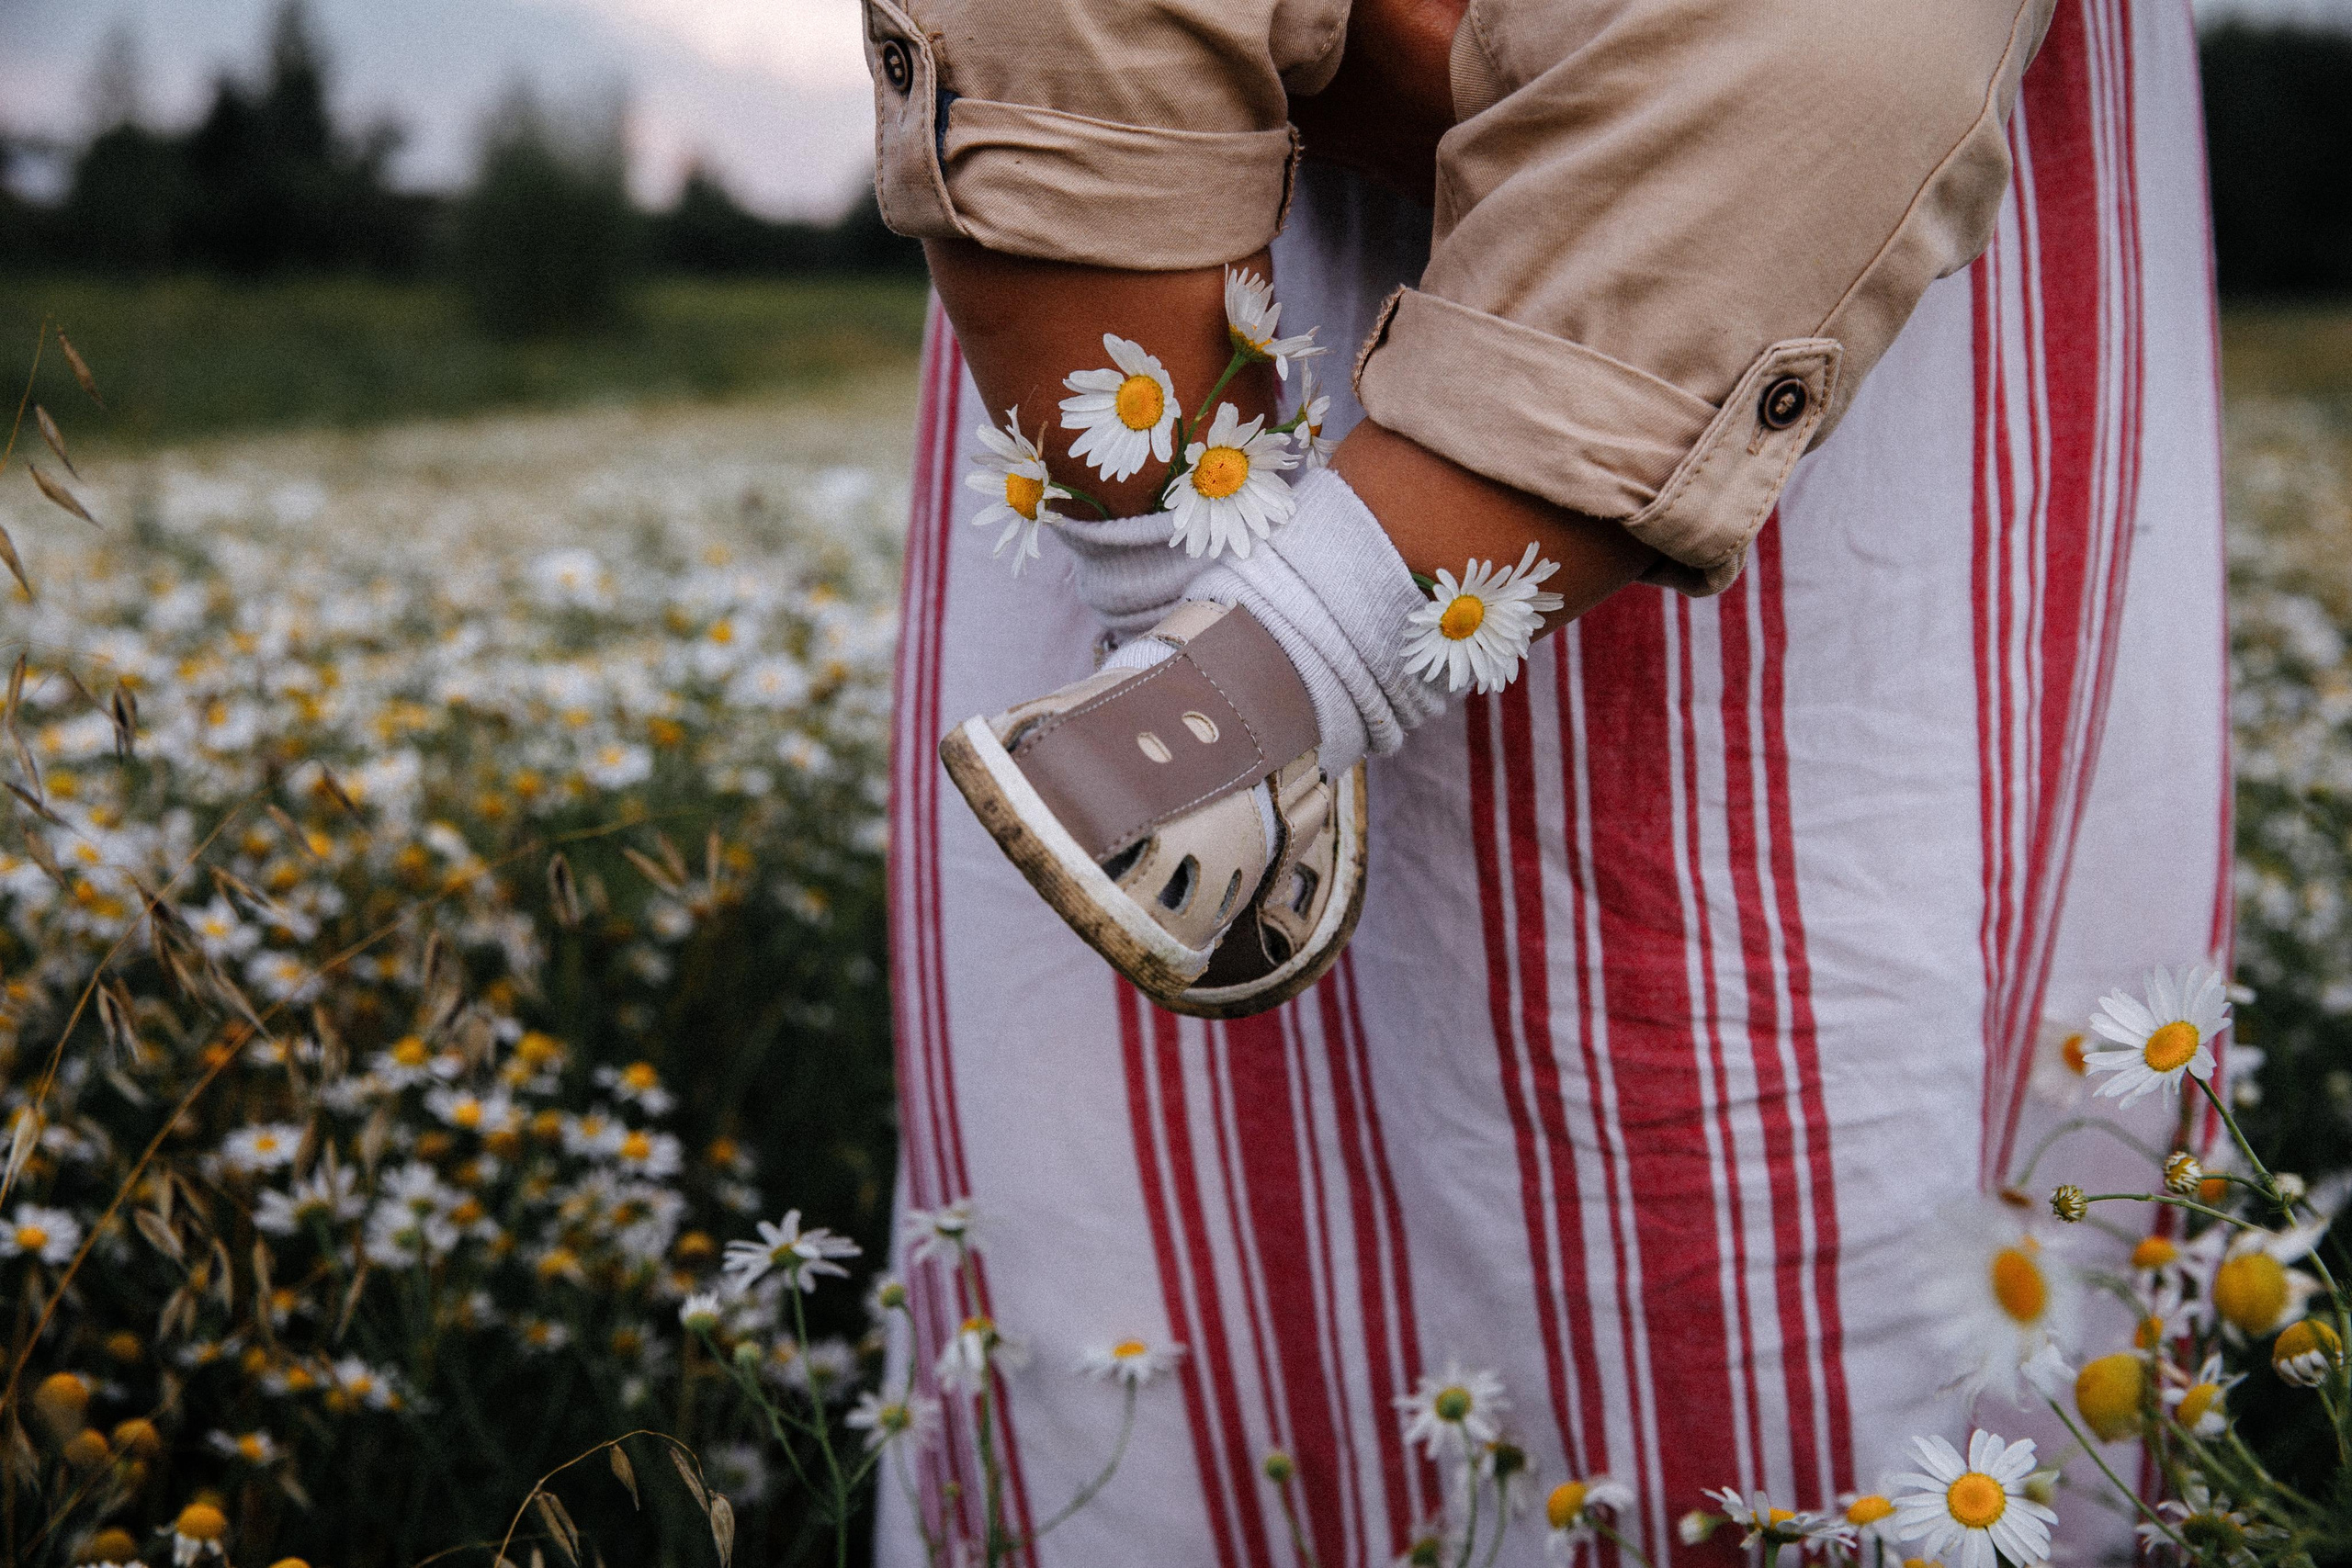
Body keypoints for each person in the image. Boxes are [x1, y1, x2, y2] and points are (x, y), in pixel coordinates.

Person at [874, 0, 2230, 1561]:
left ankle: (1237, 659)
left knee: (1825, 72)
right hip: (1223, 269)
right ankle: (1203, 624)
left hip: (1757, 237)